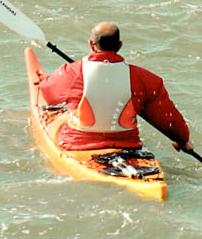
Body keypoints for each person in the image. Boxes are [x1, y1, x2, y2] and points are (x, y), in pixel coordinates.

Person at [34, 21, 193, 155]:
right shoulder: (144, 78)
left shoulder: (72, 72)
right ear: (120, 45)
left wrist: (44, 81)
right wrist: (183, 140)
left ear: (91, 44)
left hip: (78, 143)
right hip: (127, 145)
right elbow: (167, 117)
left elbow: (48, 95)